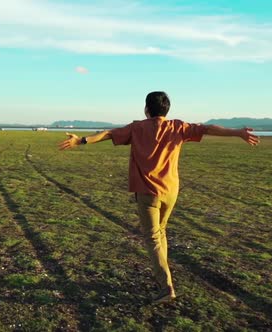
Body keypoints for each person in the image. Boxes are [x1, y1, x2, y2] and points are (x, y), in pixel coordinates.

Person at [58, 91, 259, 303]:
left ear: (146, 109)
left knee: (153, 237)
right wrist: (238, 133)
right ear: (167, 109)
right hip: (170, 191)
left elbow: (108, 134)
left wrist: (81, 140)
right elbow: (208, 128)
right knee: (160, 232)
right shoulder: (178, 127)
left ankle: (166, 287)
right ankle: (163, 278)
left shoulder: (137, 128)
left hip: (147, 193)